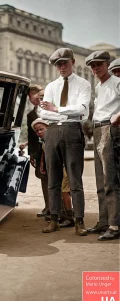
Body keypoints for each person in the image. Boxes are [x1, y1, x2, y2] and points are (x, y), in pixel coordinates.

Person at [39, 48, 91, 236]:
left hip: (72, 131)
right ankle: (54, 219)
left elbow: (82, 110)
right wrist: (59, 110)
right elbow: (43, 112)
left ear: (73, 62)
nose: (62, 67)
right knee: (53, 178)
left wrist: (57, 108)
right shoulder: (52, 86)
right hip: (52, 131)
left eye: (65, 63)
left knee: (75, 179)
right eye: (58, 64)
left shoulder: (83, 84)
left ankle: (79, 221)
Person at [85, 51, 120, 240]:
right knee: (100, 179)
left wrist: (118, 116)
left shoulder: (117, 82)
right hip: (98, 128)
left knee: (110, 179)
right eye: (92, 66)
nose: (95, 69)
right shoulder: (99, 86)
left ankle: (115, 225)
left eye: (99, 64)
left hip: (110, 128)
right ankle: (104, 221)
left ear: (107, 64)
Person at [32, 118, 75, 228]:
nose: (39, 132)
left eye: (41, 129)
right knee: (59, 191)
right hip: (57, 170)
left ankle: (69, 217)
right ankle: (61, 214)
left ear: (49, 128)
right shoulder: (44, 142)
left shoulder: (56, 139)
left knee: (64, 192)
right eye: (37, 131)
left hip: (65, 168)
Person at [19, 85, 49, 217]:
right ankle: (48, 206)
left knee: (57, 178)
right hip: (38, 151)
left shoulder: (51, 110)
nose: (32, 99)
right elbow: (32, 135)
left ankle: (60, 209)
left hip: (51, 148)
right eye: (30, 97)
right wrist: (31, 153)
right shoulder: (30, 114)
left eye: (34, 96)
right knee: (43, 178)